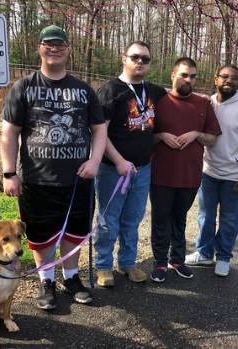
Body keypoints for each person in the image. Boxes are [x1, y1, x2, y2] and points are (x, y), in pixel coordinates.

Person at [0, 25, 107, 309]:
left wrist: (95, 160)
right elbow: (9, 132)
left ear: (68, 49)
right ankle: (46, 281)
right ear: (40, 48)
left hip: (78, 181)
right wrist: (9, 173)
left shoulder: (84, 90)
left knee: (74, 232)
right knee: (41, 234)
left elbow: (99, 129)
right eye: (49, 44)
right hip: (37, 180)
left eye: (60, 44)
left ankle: (71, 278)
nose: (54, 48)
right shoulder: (24, 87)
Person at [94, 41, 167, 287]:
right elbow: (98, 133)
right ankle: (103, 266)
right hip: (113, 170)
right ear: (124, 59)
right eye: (135, 57)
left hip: (142, 169)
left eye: (145, 59)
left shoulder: (153, 91)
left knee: (133, 220)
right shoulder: (110, 91)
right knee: (108, 220)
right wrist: (118, 161)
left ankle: (126, 263)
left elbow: (179, 94)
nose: (140, 62)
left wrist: (206, 99)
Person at [185, 64, 238, 277]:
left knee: (230, 219)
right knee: (205, 215)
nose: (228, 81)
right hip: (209, 173)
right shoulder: (209, 103)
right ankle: (203, 253)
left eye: (233, 78)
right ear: (216, 79)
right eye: (224, 77)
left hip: (235, 177)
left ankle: (223, 257)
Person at [149, 58, 221, 283]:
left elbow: (213, 139)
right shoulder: (157, 102)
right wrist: (160, 136)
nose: (188, 80)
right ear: (173, 76)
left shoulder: (203, 104)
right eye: (183, 75)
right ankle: (160, 263)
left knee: (180, 220)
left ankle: (177, 260)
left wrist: (195, 134)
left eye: (192, 76)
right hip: (161, 175)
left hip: (190, 176)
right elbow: (140, 138)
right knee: (160, 220)